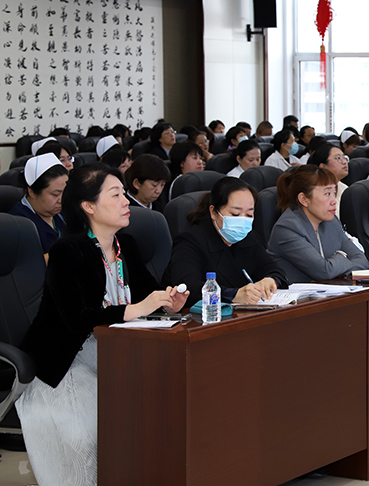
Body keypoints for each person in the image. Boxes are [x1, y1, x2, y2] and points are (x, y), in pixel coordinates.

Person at [16, 164, 189, 486]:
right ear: (89, 206)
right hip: (68, 360)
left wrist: (167, 303)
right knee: (90, 434)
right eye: (116, 195)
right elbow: (76, 319)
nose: (126, 201)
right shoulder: (67, 250)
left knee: (164, 410)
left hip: (119, 351)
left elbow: (148, 295)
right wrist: (137, 309)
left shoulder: (127, 245)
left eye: (124, 193)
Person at [163, 177, 286, 307]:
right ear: (213, 212)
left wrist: (270, 280)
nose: (242, 221)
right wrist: (233, 295)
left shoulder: (249, 237)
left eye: (249, 215)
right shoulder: (190, 241)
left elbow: (274, 269)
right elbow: (187, 288)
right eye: (235, 214)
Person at [267, 167, 368, 283]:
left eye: (334, 193)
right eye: (327, 193)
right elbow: (324, 272)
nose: (334, 201)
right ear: (304, 199)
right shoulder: (287, 228)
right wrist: (342, 256)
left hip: (330, 290)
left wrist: (333, 266)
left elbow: (361, 260)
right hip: (296, 294)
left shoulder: (331, 222)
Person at [9, 153, 68, 260]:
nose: (61, 200)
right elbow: (28, 263)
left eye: (65, 192)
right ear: (32, 192)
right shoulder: (19, 224)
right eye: (55, 194)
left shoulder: (63, 213)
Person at [309, 143, 349, 207]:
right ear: (323, 166)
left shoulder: (344, 188)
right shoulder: (313, 192)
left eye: (344, 158)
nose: (344, 162)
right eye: (338, 158)